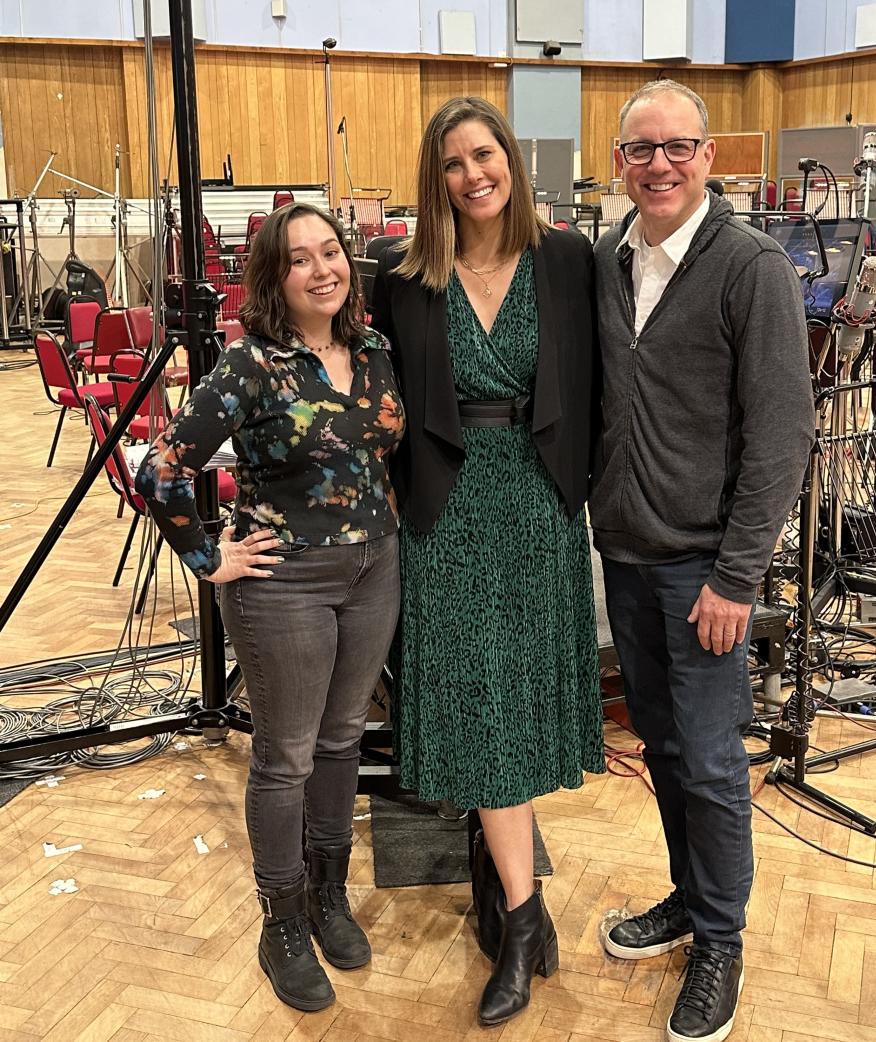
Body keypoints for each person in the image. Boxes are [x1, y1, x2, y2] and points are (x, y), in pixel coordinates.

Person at [134, 203, 405, 1013]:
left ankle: (328, 894)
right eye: (299, 259)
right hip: (283, 584)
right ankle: (281, 919)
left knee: (341, 740)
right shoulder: (251, 364)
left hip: (374, 570)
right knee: (285, 756)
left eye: (332, 253)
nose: (322, 269)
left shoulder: (375, 349)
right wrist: (209, 558)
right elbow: (160, 470)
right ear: (273, 278)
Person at [370, 96, 605, 1026]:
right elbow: (372, 391)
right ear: (437, 182)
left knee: (514, 711)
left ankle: (517, 911)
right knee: (481, 712)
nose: (474, 175)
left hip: (540, 502)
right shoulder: (404, 277)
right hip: (448, 509)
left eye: (485, 154)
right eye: (454, 164)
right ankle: (522, 916)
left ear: (511, 159)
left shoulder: (571, 263)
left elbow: (606, 382)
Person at [591, 80, 814, 1042]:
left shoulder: (751, 266)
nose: (660, 165)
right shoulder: (608, 260)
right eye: (641, 150)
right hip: (628, 554)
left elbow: (782, 434)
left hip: (704, 572)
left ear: (709, 156)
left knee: (717, 764)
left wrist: (738, 578)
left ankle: (721, 940)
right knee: (665, 750)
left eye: (677, 146)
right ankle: (690, 898)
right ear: (618, 164)